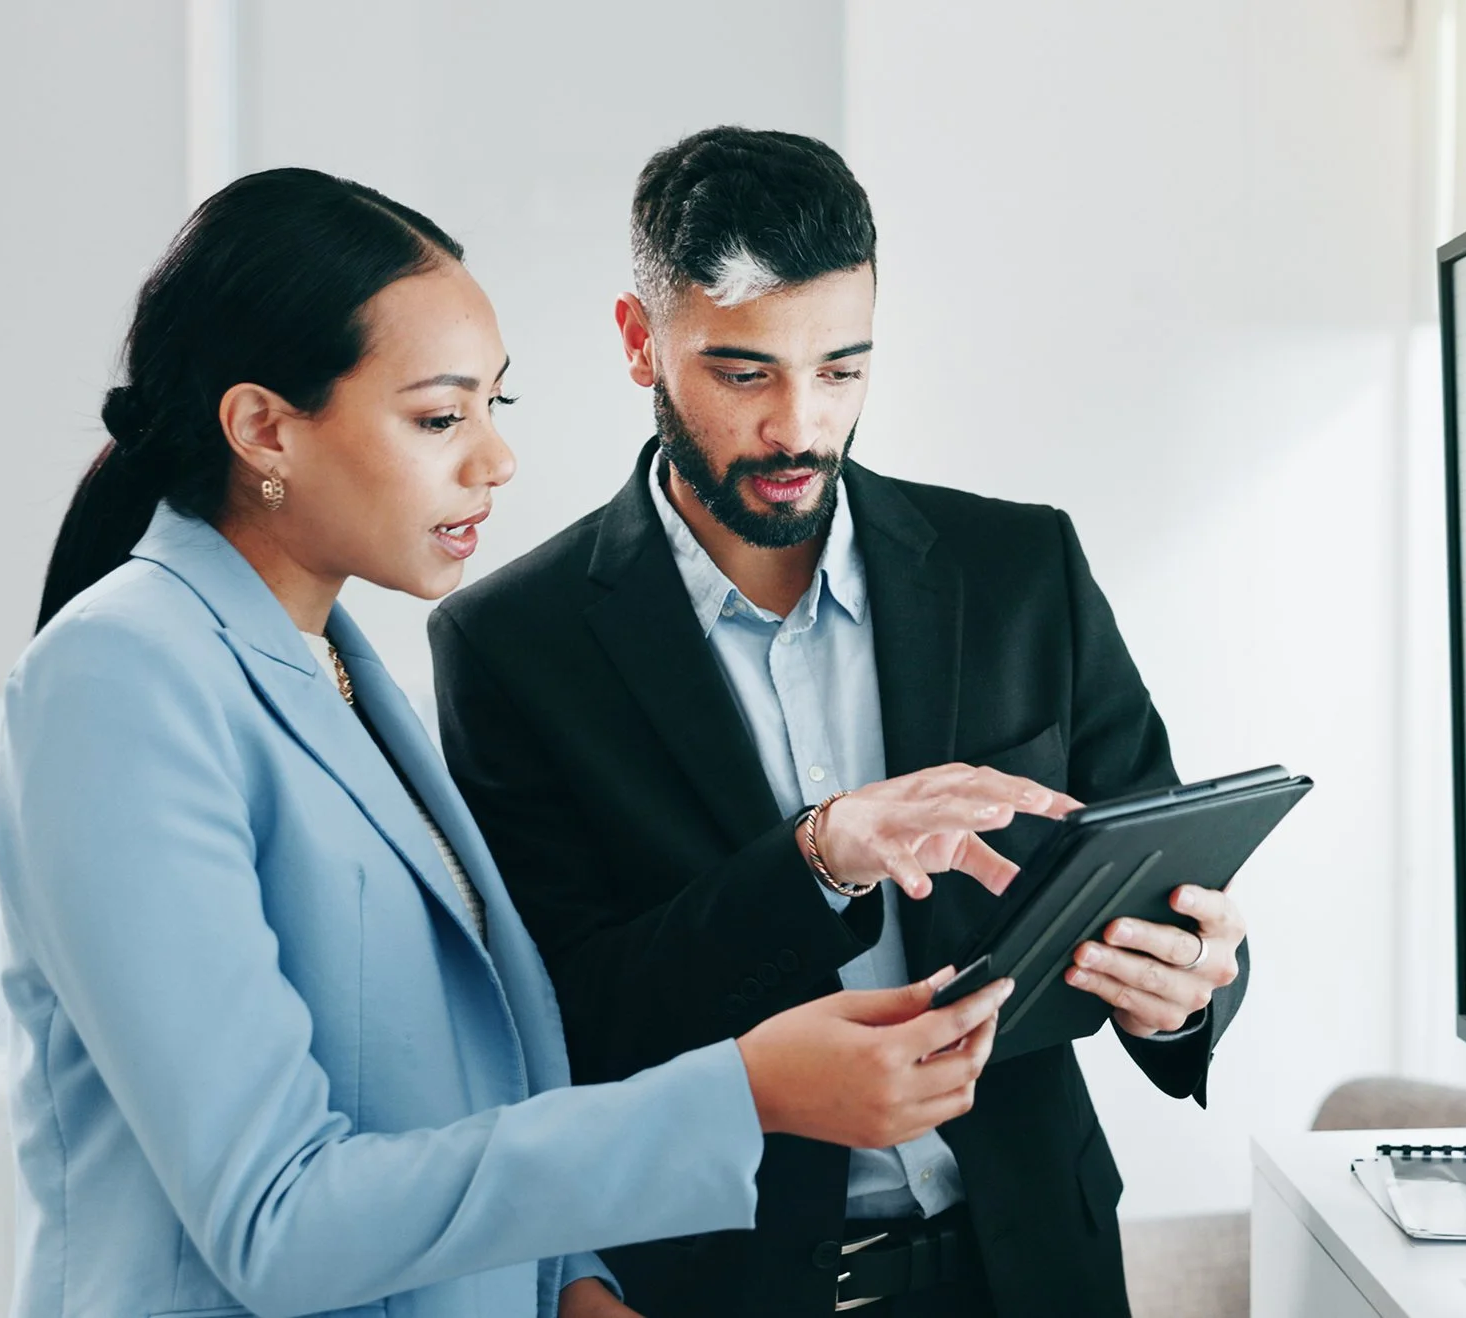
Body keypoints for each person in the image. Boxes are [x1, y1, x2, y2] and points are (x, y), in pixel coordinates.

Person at [0, 166, 1053, 1318]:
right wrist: (742, 1096)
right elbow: (274, 1214)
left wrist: (571, 1284)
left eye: (498, 407)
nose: (494, 461)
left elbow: (462, 1082)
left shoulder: (338, 667)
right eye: (440, 416)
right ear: (261, 428)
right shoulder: (121, 676)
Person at [429, 128, 1251, 1317]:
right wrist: (812, 857)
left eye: (842, 370)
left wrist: (1194, 983)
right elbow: (563, 1020)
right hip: (717, 1288)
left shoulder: (1022, 569)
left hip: (1031, 1269)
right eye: (744, 372)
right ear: (636, 341)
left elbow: (1158, 878)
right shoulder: (510, 647)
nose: (798, 428)